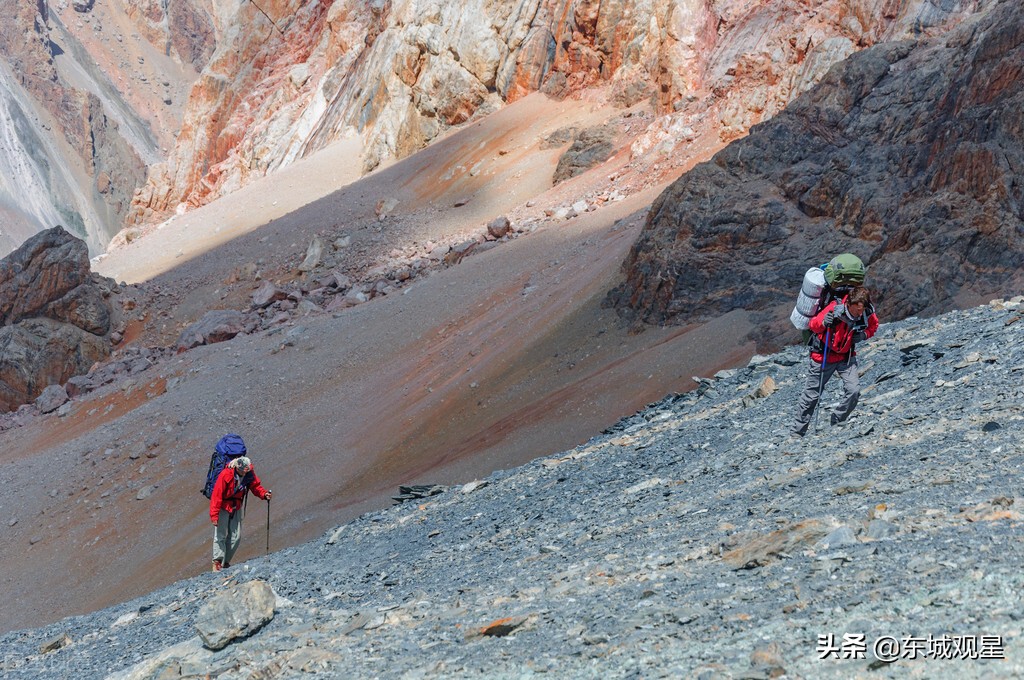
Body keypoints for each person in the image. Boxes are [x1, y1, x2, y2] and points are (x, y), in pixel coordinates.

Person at [791, 286, 879, 437]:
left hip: (846, 356)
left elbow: (874, 326)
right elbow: (813, 325)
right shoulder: (834, 308)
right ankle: (797, 433)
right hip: (823, 356)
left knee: (854, 391)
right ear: (848, 304)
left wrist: (864, 335)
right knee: (812, 395)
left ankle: (837, 420)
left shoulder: (867, 312)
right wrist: (825, 322)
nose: (859, 313)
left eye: (862, 309)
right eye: (857, 309)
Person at [209, 456, 272, 571]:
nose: (245, 472)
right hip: (224, 506)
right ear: (238, 468)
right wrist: (214, 515)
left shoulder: (249, 472)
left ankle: (225, 562)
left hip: (236, 506)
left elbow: (255, 486)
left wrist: (263, 494)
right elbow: (216, 496)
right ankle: (217, 562)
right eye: (244, 470)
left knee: (236, 537)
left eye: (247, 470)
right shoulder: (226, 474)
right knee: (220, 535)